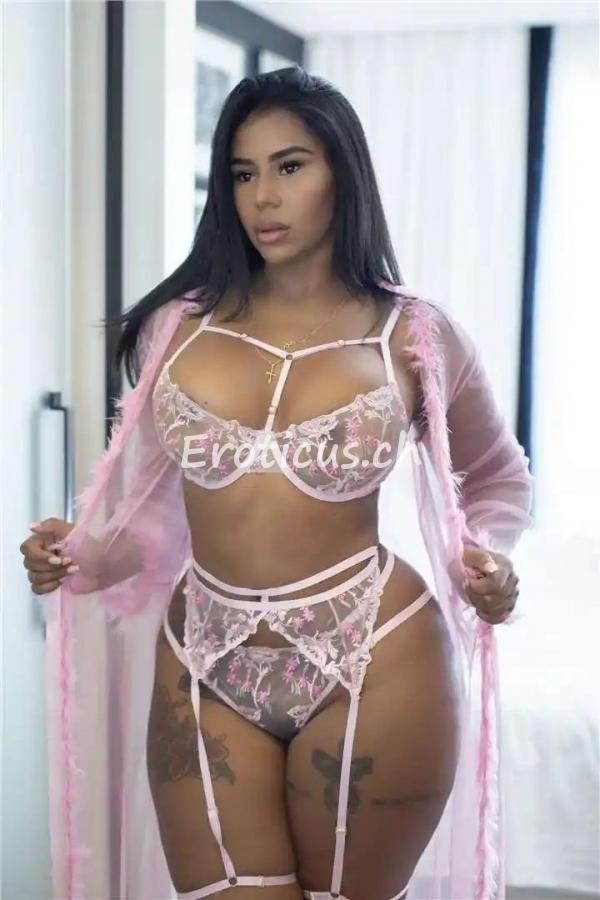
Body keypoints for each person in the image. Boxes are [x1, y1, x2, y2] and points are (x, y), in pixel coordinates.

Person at [20, 67, 533, 900]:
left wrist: (488, 560)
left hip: (376, 652)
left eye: (290, 166)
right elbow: (152, 517)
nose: (263, 197)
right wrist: (78, 556)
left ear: (343, 173)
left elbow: (498, 477)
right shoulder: (176, 329)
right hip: (204, 655)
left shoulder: (415, 335)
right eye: (242, 172)